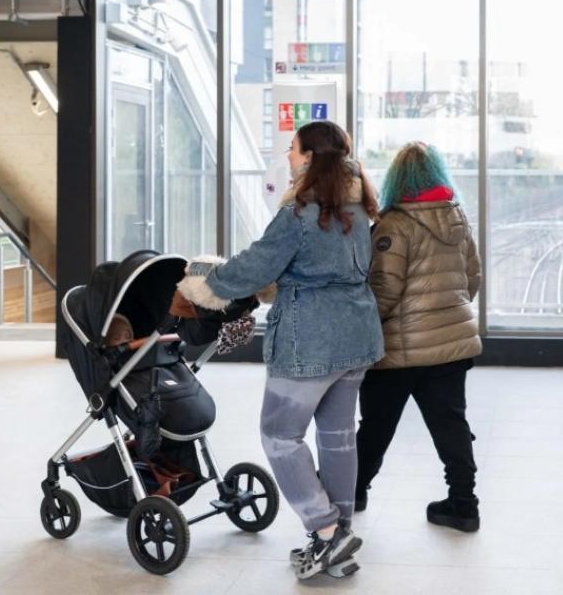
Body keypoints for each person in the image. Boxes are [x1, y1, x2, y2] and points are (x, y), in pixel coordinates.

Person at [178, 120, 383, 580]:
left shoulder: (301, 215)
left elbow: (253, 266)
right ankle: (338, 535)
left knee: (279, 435)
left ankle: (327, 530)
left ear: (309, 157)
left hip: (309, 341)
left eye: (292, 149)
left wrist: (202, 281)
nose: (288, 157)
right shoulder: (361, 210)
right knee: (338, 438)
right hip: (357, 336)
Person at [354, 141, 483, 532]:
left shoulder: (393, 225)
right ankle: (463, 505)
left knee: (376, 426)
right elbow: (472, 278)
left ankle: (353, 492)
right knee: (452, 427)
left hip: (398, 350)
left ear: (396, 179)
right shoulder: (457, 216)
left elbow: (384, 291)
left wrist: (361, 332)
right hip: (451, 347)